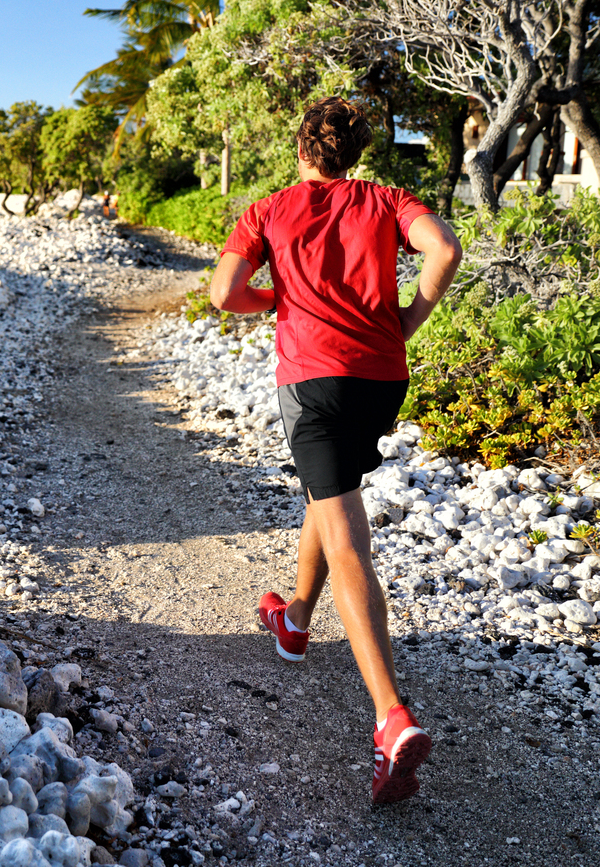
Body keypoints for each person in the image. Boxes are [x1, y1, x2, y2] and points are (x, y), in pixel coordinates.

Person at [209, 96, 463, 804]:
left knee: (348, 534)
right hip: (381, 377)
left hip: (313, 381)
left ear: (301, 150)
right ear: (354, 154)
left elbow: (224, 293)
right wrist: (409, 315)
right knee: (329, 492)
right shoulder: (387, 200)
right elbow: (444, 249)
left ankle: (390, 718)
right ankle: (294, 620)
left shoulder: (268, 210)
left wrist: (280, 299)